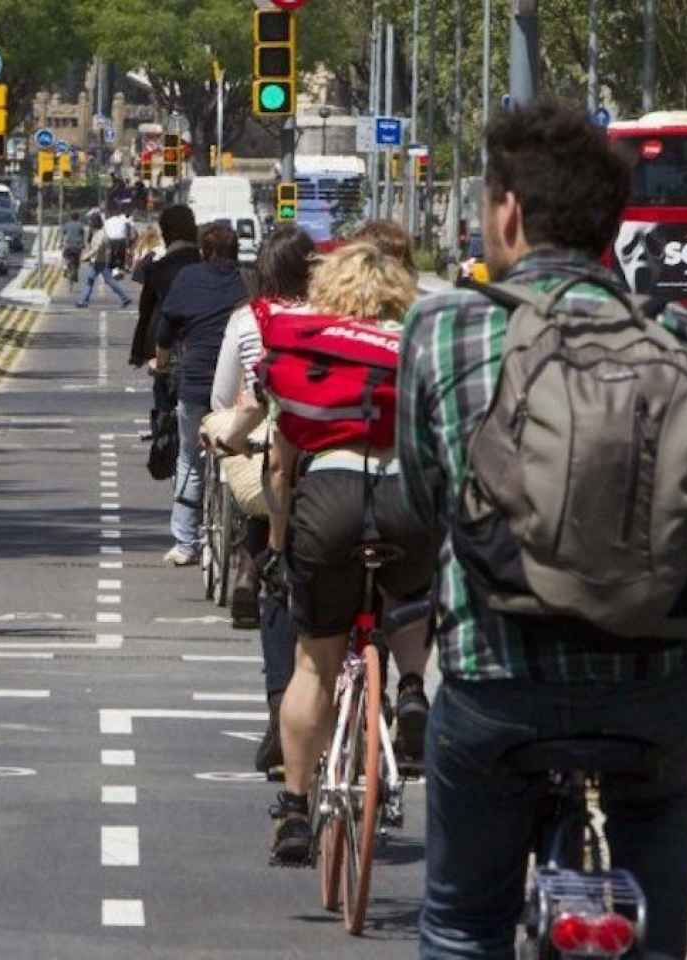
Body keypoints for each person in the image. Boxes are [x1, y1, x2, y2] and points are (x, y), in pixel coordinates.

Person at [396, 100, 687, 958]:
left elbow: (425, 498)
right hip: (656, 679)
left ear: (508, 211)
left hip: (496, 675)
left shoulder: (442, 328)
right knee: (654, 854)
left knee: (462, 924)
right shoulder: (681, 337)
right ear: (612, 224)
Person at [261, 236, 439, 865]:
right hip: (403, 501)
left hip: (329, 497)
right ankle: (413, 687)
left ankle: (294, 809)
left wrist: (280, 545)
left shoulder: (311, 351)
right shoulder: (417, 349)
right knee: (412, 597)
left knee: (315, 663)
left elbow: (280, 472)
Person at [200, 223, 318, 771]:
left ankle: (279, 710)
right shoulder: (337, 319)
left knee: (273, 553)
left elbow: (226, 398)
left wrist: (227, 432)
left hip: (277, 459)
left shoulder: (251, 322)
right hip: (354, 476)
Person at [153, 222, 247, 566]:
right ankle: (237, 536)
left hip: (194, 383)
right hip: (238, 390)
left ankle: (185, 543)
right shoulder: (246, 281)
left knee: (189, 458)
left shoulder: (188, 278)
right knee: (239, 456)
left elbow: (166, 328)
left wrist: (161, 363)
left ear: (203, 252)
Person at [130, 205, 201, 368]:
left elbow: (145, 313)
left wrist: (137, 353)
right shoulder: (206, 265)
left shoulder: (158, 269)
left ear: (166, 233)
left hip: (166, 350)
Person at [75, 224, 134, 309]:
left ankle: (125, 298)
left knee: (104, 280)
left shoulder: (100, 234)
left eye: (90, 222)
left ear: (94, 223)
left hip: (100, 261)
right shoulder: (98, 233)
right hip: (98, 261)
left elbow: (97, 248)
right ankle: (84, 301)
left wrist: (86, 256)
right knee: (91, 280)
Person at [60, 211, 87, 285]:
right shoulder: (80, 225)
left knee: (65, 256)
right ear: (78, 218)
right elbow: (82, 236)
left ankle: (65, 267)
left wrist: (61, 243)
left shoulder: (66, 225)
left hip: (68, 246)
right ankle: (75, 272)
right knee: (77, 260)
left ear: (70, 218)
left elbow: (63, 234)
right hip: (77, 247)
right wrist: (83, 244)